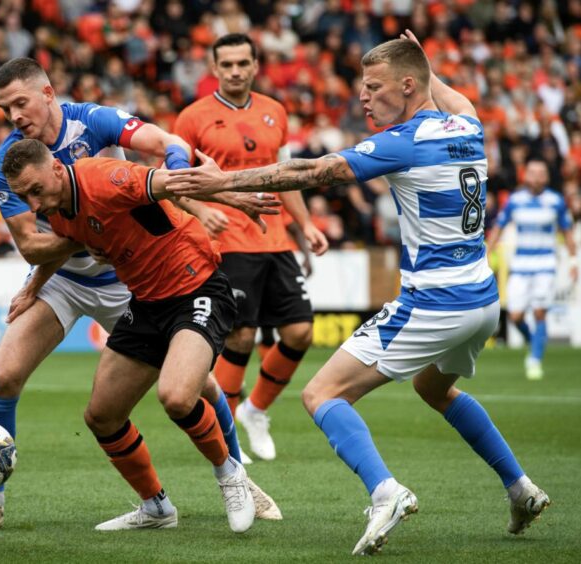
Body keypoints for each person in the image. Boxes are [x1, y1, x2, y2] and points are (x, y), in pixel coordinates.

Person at [167, 31, 550, 555]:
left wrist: (216, 184)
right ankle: (521, 488)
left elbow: (308, 170)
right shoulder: (465, 123)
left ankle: (386, 492)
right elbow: (453, 95)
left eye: (374, 87)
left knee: (321, 394)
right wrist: (425, 65)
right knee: (434, 390)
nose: (363, 97)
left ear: (408, 86)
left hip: (435, 302)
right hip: (482, 300)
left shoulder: (404, 141)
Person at [0, 57, 281, 535]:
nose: (14, 116)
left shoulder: (93, 122)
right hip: (64, 275)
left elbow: (165, 148)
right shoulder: (10, 163)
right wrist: (83, 242)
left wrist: (207, 189)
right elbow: (31, 243)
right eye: (5, 109)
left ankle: (237, 475)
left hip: (133, 277)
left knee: (196, 387)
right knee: (4, 377)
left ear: (47, 93)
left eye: (20, 103)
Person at [2, 139, 255, 532]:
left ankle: (229, 473)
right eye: (24, 197)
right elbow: (69, 247)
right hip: (146, 302)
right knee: (102, 415)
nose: (33, 204)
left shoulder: (106, 178)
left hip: (197, 288)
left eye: (36, 190)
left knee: (176, 396)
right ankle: (156, 509)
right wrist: (34, 287)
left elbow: (167, 182)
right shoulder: (56, 211)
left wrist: (232, 194)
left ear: (56, 168)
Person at [174, 33, 328, 462]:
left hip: (275, 240)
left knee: (300, 332)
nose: (236, 71)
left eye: (243, 63)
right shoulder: (192, 118)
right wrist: (201, 213)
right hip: (226, 242)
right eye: (228, 64)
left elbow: (287, 178)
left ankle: (256, 410)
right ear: (214, 68)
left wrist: (306, 225)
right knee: (240, 336)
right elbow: (169, 181)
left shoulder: (275, 112)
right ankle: (230, 439)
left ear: (256, 65)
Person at [486, 159, 577, 380]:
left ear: (546, 177)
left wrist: (574, 261)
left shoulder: (555, 201)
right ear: (525, 176)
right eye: (532, 172)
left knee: (539, 311)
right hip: (520, 265)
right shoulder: (515, 201)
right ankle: (534, 340)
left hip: (545, 264)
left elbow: (567, 232)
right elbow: (499, 226)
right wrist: (487, 253)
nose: (536, 177)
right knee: (516, 316)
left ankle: (535, 359)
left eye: (541, 173)